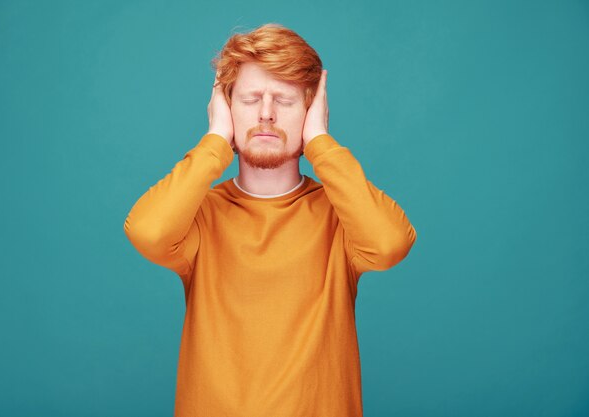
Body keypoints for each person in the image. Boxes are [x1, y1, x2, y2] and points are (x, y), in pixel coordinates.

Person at [124, 23, 417, 417]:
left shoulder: (341, 216)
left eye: (284, 100)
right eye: (250, 99)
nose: (266, 114)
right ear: (225, 108)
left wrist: (320, 144)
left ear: (313, 111)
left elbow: (390, 243)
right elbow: (148, 231)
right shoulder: (200, 216)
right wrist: (214, 142)